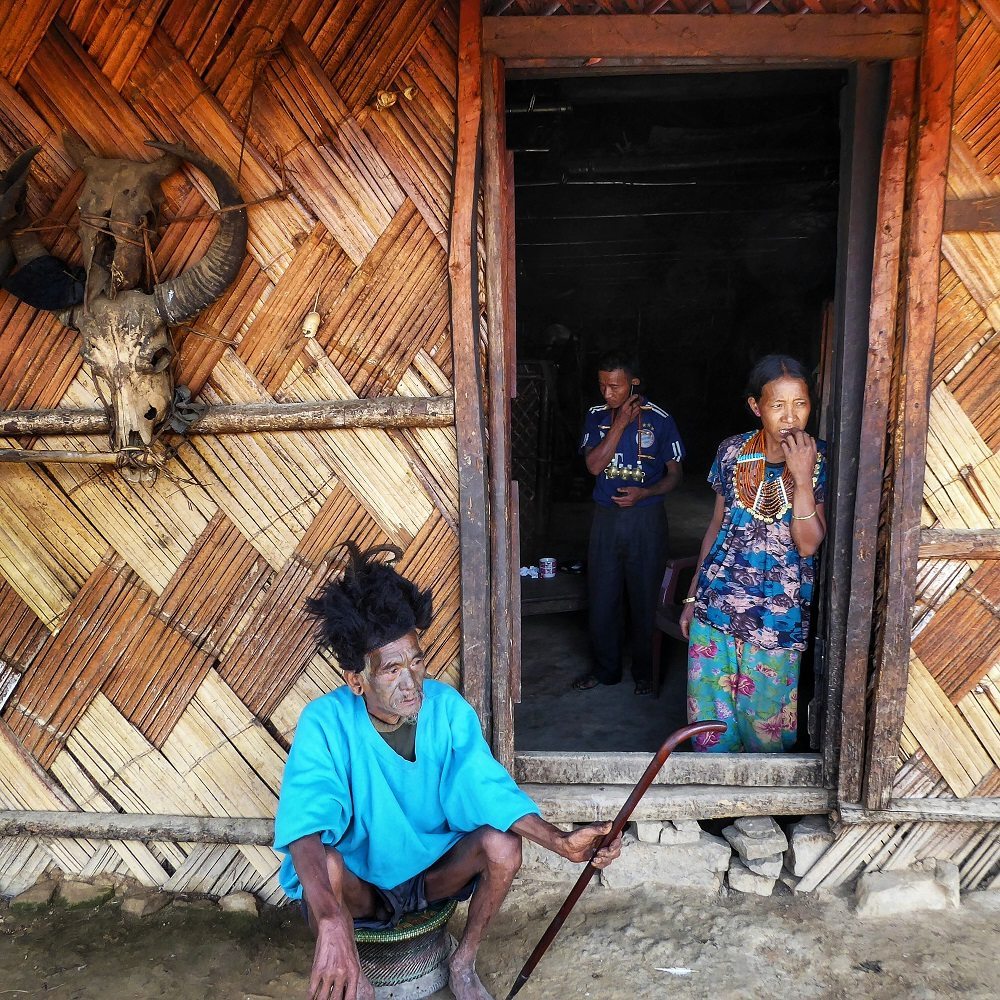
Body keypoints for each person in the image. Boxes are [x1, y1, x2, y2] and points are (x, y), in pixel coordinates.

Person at [274, 543, 622, 1000]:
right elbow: (306, 823)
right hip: (361, 886)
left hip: (430, 876)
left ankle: (463, 961)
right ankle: (356, 978)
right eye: (391, 669)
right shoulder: (325, 721)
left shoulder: (447, 709)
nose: (411, 681)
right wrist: (331, 919)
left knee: (501, 844)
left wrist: (557, 841)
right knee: (329, 863)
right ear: (356, 679)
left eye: (417, 661)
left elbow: (481, 785)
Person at [679, 355, 827, 753]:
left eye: (800, 404)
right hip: (716, 608)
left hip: (777, 620)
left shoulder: (820, 460)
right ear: (755, 406)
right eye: (778, 405)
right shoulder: (731, 452)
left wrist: (801, 476)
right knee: (711, 727)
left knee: (767, 730)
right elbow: (715, 528)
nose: (790, 417)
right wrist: (693, 596)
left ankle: (757, 813)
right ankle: (711, 813)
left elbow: (809, 543)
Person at [573, 350, 685, 696]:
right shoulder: (596, 417)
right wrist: (619, 421)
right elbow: (593, 466)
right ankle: (605, 670)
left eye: (616, 386)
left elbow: (675, 475)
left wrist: (645, 493)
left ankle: (644, 673)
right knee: (603, 595)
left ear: (633, 383)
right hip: (606, 520)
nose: (607, 393)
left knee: (644, 595)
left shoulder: (661, 420)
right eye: (603, 386)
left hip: (646, 520)